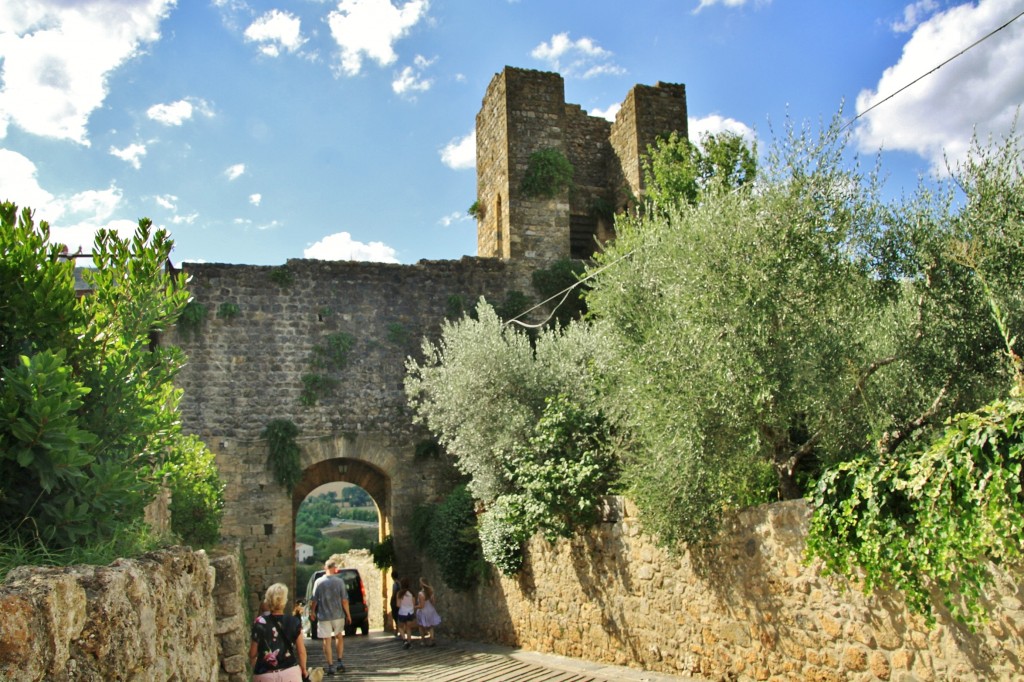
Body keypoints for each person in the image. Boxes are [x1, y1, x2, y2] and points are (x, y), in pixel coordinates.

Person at [249, 583, 307, 681]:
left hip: (265, 675)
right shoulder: (294, 621)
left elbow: (252, 654)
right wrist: (303, 669)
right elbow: (301, 652)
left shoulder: (260, 622)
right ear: (285, 601)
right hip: (290, 673)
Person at [310, 558, 351, 675]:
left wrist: (312, 612)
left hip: (323, 616)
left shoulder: (318, 582)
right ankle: (340, 661)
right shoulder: (340, 582)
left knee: (326, 640)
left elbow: (314, 600)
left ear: (325, 568)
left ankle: (330, 666)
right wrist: (348, 614)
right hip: (338, 615)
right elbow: (344, 601)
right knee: (339, 637)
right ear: (335, 569)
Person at [415, 577, 441, 647]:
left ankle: (423, 641)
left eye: (420, 582)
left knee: (421, 626)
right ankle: (432, 639)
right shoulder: (431, 591)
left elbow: (421, 606)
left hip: (423, 611)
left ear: (422, 584)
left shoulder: (421, 594)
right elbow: (433, 602)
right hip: (430, 610)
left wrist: (414, 607)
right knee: (430, 626)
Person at [395, 577, 417, 649]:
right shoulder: (412, 593)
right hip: (410, 612)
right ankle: (409, 642)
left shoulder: (399, 593)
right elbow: (414, 604)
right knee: (408, 628)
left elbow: (398, 605)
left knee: (400, 627)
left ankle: (404, 640)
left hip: (402, 612)